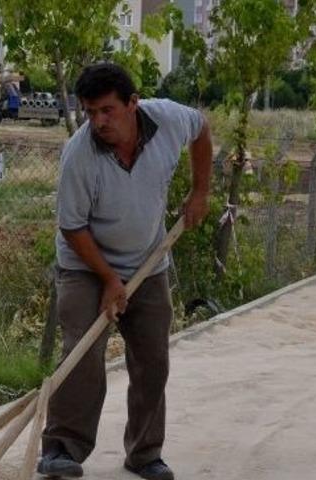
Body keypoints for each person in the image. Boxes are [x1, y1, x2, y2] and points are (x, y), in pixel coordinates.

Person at [38, 63, 212, 480]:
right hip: (84, 265)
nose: (98, 122)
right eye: (90, 112)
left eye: (107, 111)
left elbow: (202, 129)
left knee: (153, 360)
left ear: (133, 103)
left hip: (149, 263)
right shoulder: (79, 154)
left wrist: (200, 191)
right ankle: (61, 448)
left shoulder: (168, 119)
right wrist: (108, 280)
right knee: (81, 354)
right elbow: (72, 226)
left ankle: (145, 453)